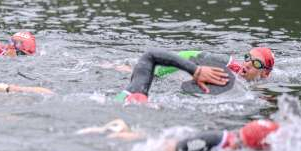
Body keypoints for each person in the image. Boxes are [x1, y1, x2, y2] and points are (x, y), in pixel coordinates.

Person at [115, 46, 275, 104]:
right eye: (247, 57)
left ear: (266, 73)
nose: (247, 63)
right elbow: (188, 55)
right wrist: (154, 73)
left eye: (256, 63)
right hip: (173, 70)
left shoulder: (259, 91)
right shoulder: (230, 65)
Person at [79, 118, 280, 151]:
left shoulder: (234, 144)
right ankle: (110, 131)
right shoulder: (215, 140)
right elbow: (171, 149)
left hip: (182, 138)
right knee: (147, 142)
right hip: (165, 146)